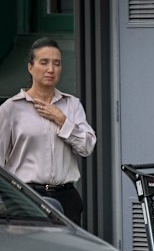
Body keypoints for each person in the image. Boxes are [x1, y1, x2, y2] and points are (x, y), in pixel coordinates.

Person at [0, 37, 96, 225]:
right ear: (30, 67)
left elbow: (87, 147)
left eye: (57, 63)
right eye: (44, 62)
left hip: (67, 197)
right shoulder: (10, 109)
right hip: (26, 198)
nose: (51, 69)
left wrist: (62, 121)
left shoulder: (72, 105)